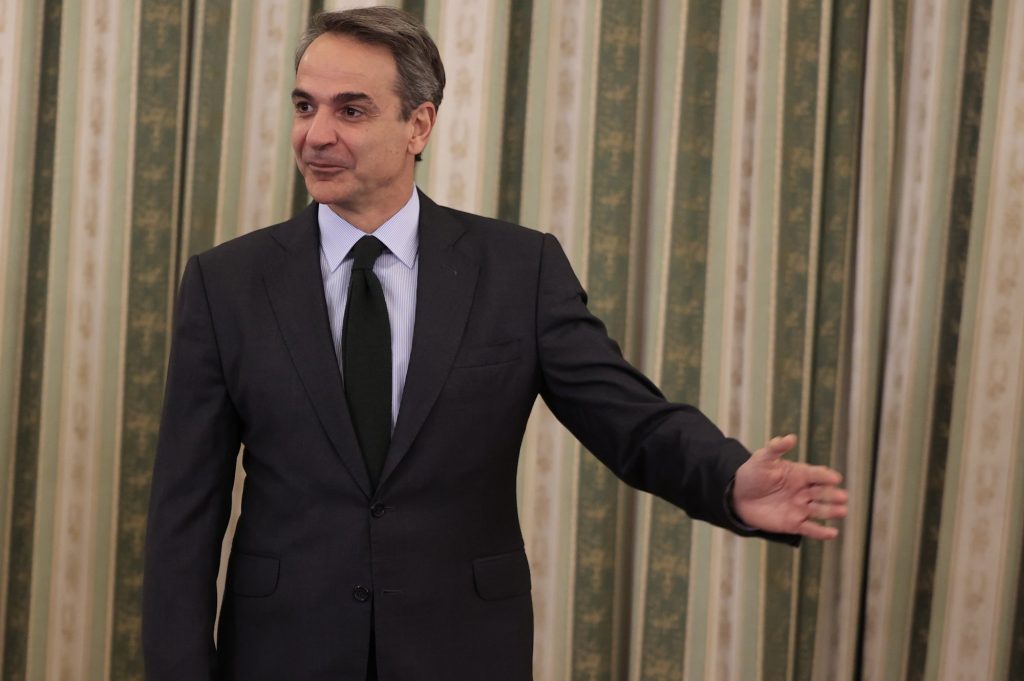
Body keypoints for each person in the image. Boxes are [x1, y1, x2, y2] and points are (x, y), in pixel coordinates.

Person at [142, 7, 848, 681]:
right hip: (282, 652)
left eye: (350, 110)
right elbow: (184, 513)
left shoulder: (518, 270)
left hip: (461, 650)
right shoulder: (224, 283)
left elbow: (629, 419)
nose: (315, 134)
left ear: (419, 124)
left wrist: (727, 478)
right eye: (305, 106)